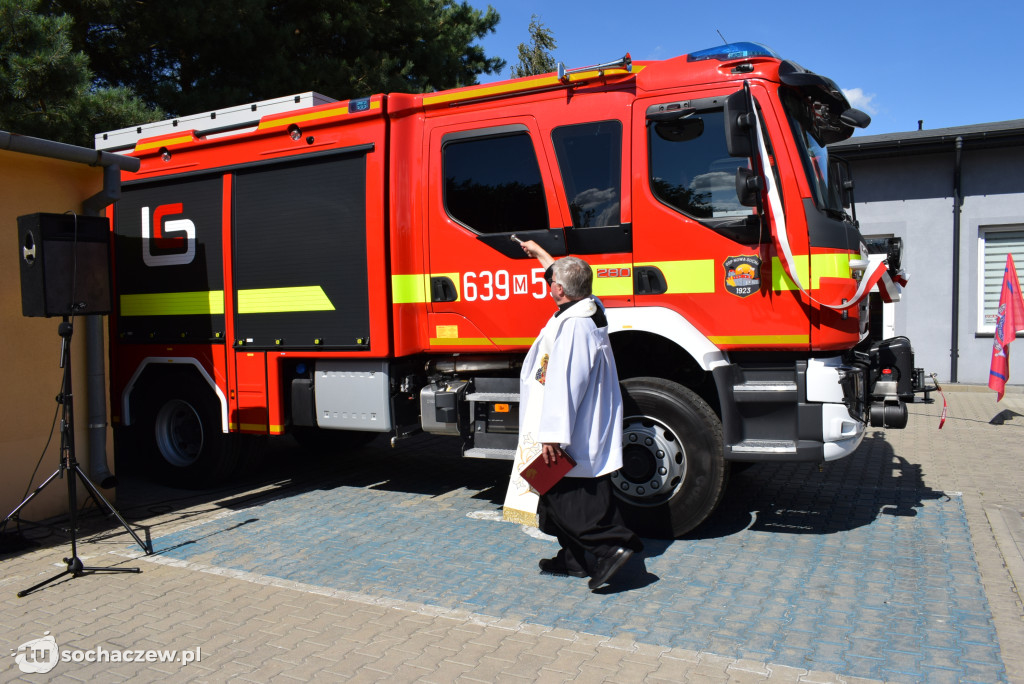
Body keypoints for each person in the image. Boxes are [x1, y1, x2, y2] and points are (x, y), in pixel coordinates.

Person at [517, 239, 642, 591]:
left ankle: (608, 549)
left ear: (558, 290)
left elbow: (565, 383)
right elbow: (570, 276)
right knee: (552, 492)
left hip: (568, 429)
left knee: (565, 495)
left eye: (551, 281)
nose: (549, 285)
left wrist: (553, 434)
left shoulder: (573, 327)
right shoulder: (589, 306)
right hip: (579, 423)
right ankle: (574, 558)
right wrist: (543, 256)